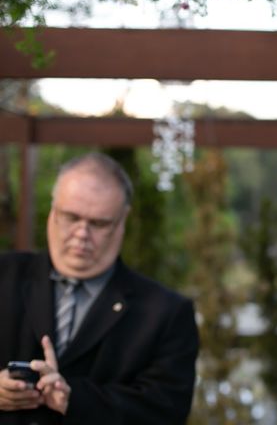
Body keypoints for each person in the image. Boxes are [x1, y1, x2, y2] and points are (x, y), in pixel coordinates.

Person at [0, 152, 199, 425]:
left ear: (122, 222)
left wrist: (74, 399)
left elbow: (165, 411)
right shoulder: (4, 276)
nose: (82, 234)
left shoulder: (166, 314)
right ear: (52, 210)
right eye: (71, 217)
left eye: (98, 223)